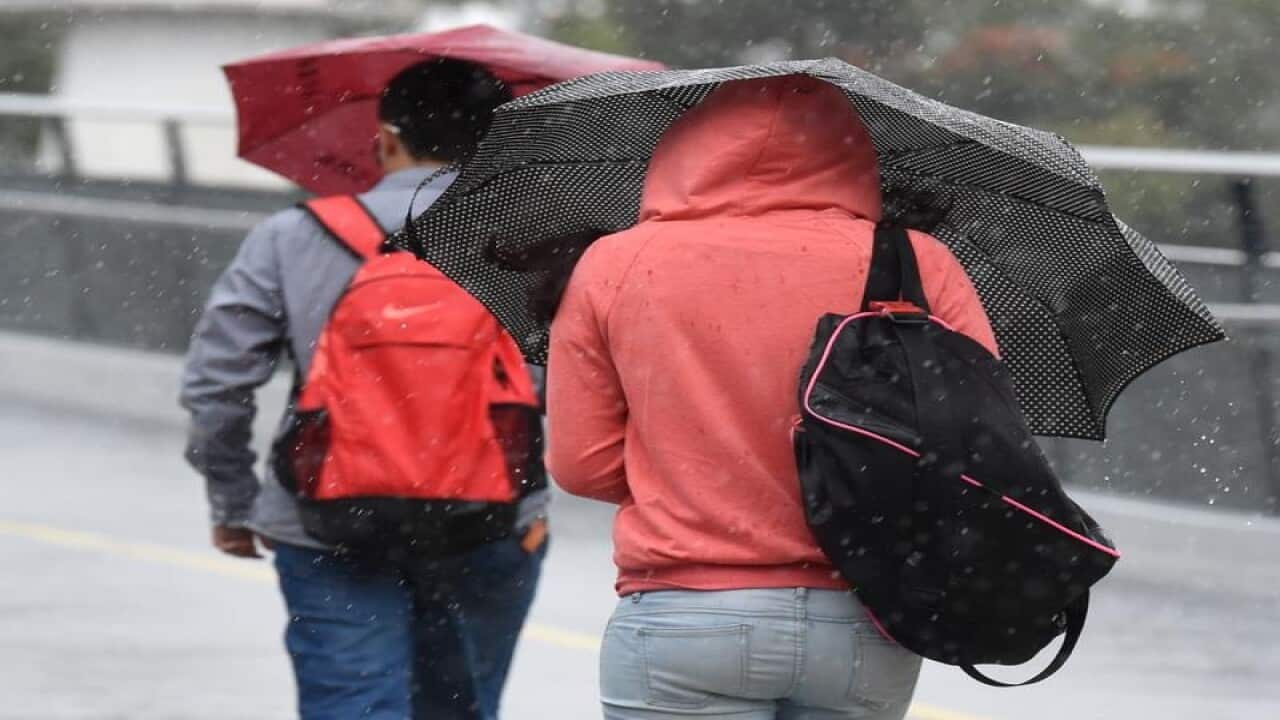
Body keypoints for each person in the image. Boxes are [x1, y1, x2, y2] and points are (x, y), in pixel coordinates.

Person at [545, 76, 999, 719]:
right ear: (852, 156)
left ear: (686, 149)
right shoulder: (916, 261)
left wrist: (692, 475)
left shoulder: (617, 263)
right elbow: (975, 443)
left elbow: (581, 465)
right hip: (866, 615)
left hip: (686, 613)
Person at [180, 59, 547, 720]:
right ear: (499, 143)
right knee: (459, 708)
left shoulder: (292, 237)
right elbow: (578, 384)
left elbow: (217, 384)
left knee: (353, 707)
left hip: (328, 523)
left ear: (385, 137)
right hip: (491, 521)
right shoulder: (536, 241)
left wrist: (232, 501)